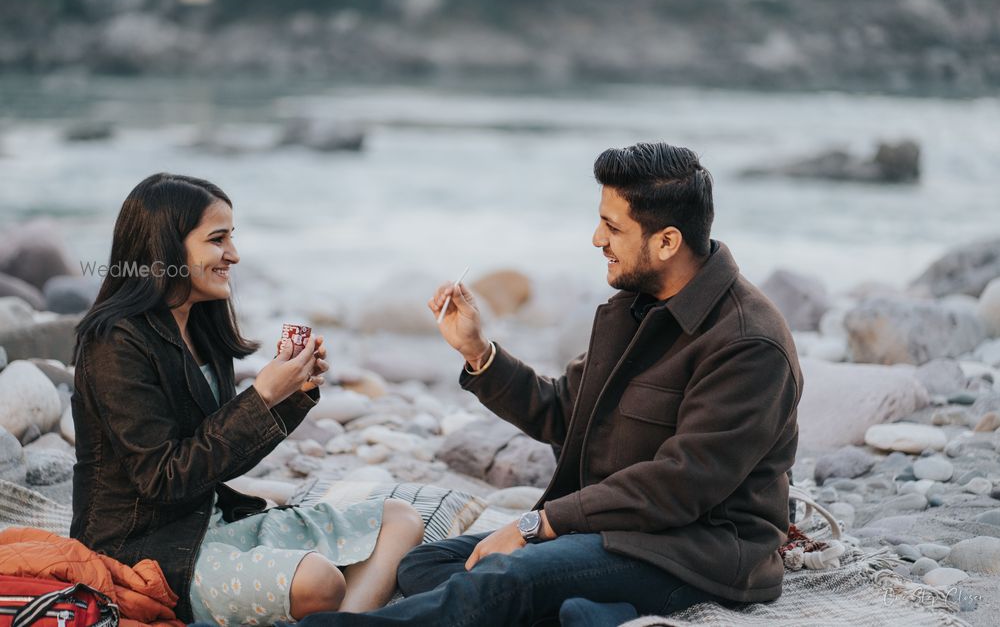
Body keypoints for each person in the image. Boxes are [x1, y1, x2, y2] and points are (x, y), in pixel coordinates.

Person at [286, 142, 801, 627]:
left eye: (611, 227)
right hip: (612, 530)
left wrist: (540, 525)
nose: (597, 239)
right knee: (426, 565)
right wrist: (476, 351)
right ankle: (590, 615)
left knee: (504, 579)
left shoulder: (748, 343)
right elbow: (560, 411)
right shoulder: (636, 307)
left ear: (666, 241)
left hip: (696, 551)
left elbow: (681, 484)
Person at [71, 173, 424, 626]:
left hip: (210, 523)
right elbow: (163, 478)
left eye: (231, 238)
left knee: (399, 518)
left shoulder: (201, 327)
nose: (233, 255)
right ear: (167, 249)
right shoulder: (114, 343)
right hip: (144, 553)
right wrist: (261, 397)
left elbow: (217, 459)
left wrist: (290, 397)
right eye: (218, 240)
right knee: (319, 582)